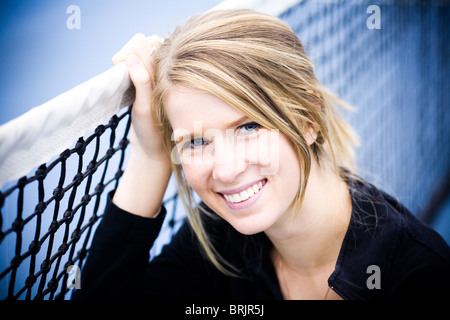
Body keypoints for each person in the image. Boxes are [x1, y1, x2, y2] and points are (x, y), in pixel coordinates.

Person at [74, 9, 450, 300]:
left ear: (307, 118)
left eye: (249, 127)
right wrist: (150, 154)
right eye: (195, 141)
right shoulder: (218, 241)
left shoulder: (416, 274)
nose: (225, 169)